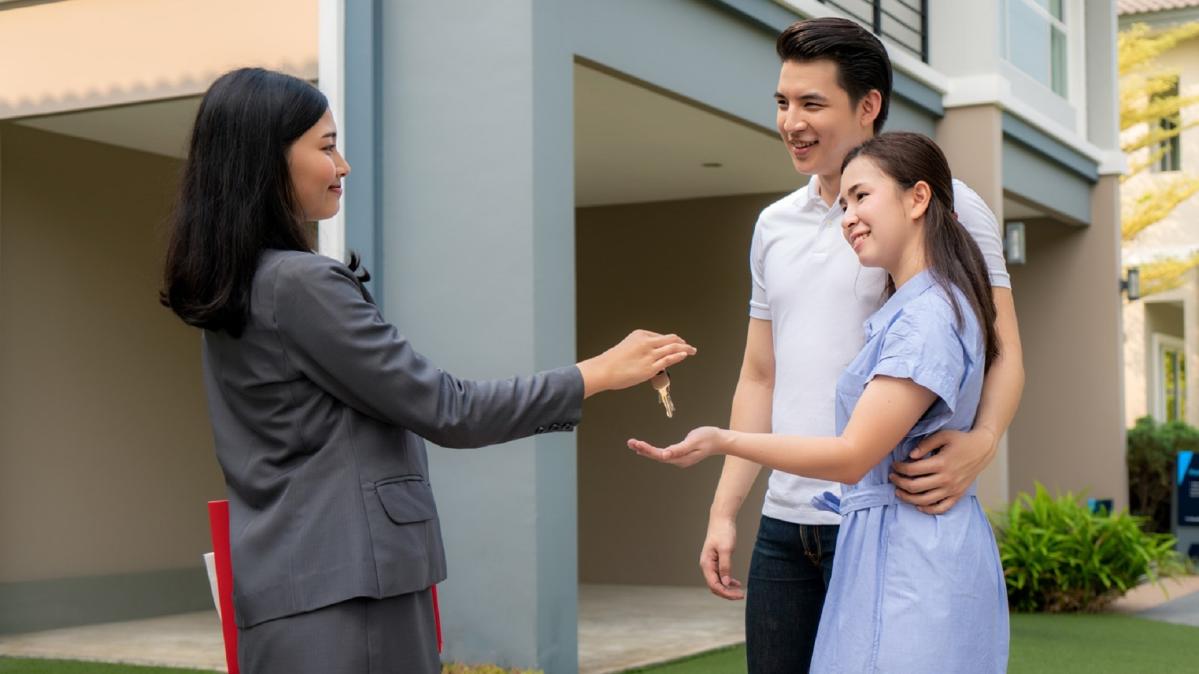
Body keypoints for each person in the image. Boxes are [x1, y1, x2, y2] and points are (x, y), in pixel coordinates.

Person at [161, 67, 696, 674]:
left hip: (297, 588)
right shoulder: (300, 283)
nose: (343, 166)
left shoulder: (240, 283)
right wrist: (595, 373)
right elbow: (448, 409)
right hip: (347, 597)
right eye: (327, 146)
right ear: (267, 159)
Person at [695, 17, 1023, 673]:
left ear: (867, 105)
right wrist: (725, 510)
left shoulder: (947, 210)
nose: (791, 122)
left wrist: (981, 444)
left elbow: (1004, 350)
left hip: (883, 521)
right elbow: (760, 376)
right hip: (785, 527)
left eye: (812, 103)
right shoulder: (773, 227)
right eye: (783, 103)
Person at [631, 131, 1009, 673]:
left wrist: (722, 440)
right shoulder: (915, 307)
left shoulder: (925, 320)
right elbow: (763, 377)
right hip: (893, 543)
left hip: (909, 555)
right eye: (844, 201)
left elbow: (854, 454)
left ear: (918, 198)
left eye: (862, 197)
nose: (847, 216)